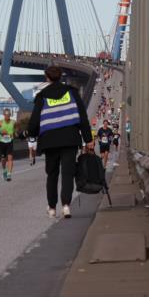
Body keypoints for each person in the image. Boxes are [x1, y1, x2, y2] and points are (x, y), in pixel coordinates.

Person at [27, 66, 94, 219]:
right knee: (68, 173)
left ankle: (51, 207)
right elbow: (82, 117)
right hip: (70, 138)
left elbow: (34, 122)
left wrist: (31, 136)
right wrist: (88, 139)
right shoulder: (72, 92)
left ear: (47, 78)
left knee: (52, 174)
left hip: (49, 140)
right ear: (61, 76)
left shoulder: (42, 96)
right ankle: (66, 206)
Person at [0, 107, 17, 181]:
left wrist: (14, 133)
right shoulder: (1, 122)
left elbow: (17, 129)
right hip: (2, 142)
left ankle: (9, 174)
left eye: (9, 115)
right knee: (3, 159)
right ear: (3, 115)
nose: (7, 116)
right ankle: (4, 170)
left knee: (10, 158)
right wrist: (0, 132)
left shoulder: (13, 122)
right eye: (6, 115)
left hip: (10, 141)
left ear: (10, 115)